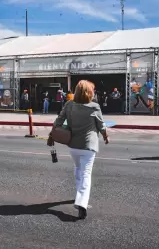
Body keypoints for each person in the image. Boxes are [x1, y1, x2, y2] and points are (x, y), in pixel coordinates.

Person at [47, 80, 109, 219]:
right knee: (86, 173)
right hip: (89, 146)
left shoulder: (69, 105)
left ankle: (78, 193)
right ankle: (81, 202)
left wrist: (52, 134)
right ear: (89, 92)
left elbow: (58, 121)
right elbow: (101, 125)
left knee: (78, 168)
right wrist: (105, 136)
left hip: (73, 145)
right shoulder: (94, 107)